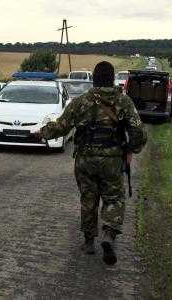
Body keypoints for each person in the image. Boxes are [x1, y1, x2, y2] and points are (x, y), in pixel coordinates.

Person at [36, 61, 147, 265]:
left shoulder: (81, 102)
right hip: (112, 160)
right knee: (113, 198)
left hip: (85, 160)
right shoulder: (124, 102)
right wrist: (131, 149)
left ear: (94, 79)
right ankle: (109, 235)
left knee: (88, 198)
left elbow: (62, 126)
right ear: (112, 79)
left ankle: (88, 242)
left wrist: (42, 133)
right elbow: (138, 131)